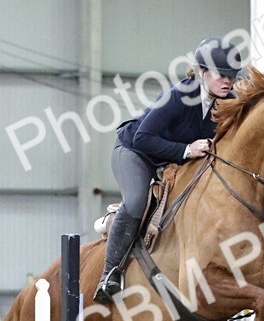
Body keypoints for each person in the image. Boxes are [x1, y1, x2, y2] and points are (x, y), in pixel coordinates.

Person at [94, 36, 243, 304]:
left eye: (232, 76)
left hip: (172, 160)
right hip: (135, 152)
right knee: (137, 200)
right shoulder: (179, 96)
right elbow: (142, 138)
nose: (228, 82)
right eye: (222, 75)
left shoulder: (229, 100)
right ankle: (110, 274)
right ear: (203, 72)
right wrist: (186, 151)